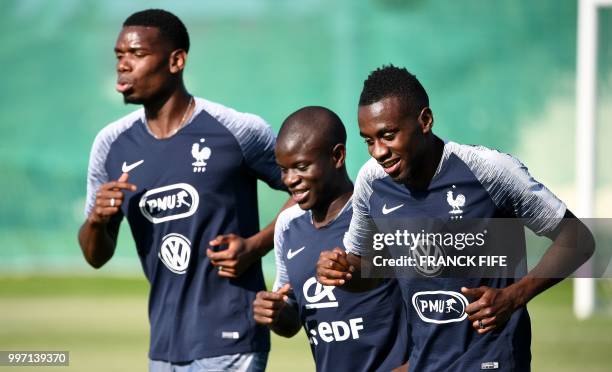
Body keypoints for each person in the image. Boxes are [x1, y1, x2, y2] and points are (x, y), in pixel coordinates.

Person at [316, 65, 594, 371]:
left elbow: (577, 239)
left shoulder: (488, 170)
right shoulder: (372, 182)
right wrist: (341, 271)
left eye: (388, 135)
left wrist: (513, 297)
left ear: (425, 120)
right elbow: (369, 271)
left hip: (493, 362)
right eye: (368, 140)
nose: (378, 151)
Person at [78, 9, 289, 371]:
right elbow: (96, 256)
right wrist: (97, 221)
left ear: (176, 61)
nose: (123, 65)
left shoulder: (235, 131)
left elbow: (311, 192)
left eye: (137, 54)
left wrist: (255, 247)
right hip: (163, 349)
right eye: (119, 56)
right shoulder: (111, 145)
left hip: (232, 340)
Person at [252, 106, 409, 371]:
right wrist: (276, 314)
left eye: (301, 167)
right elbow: (292, 323)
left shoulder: (383, 214)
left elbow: (437, 307)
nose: (290, 180)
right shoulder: (288, 227)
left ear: (337, 156)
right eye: (283, 169)